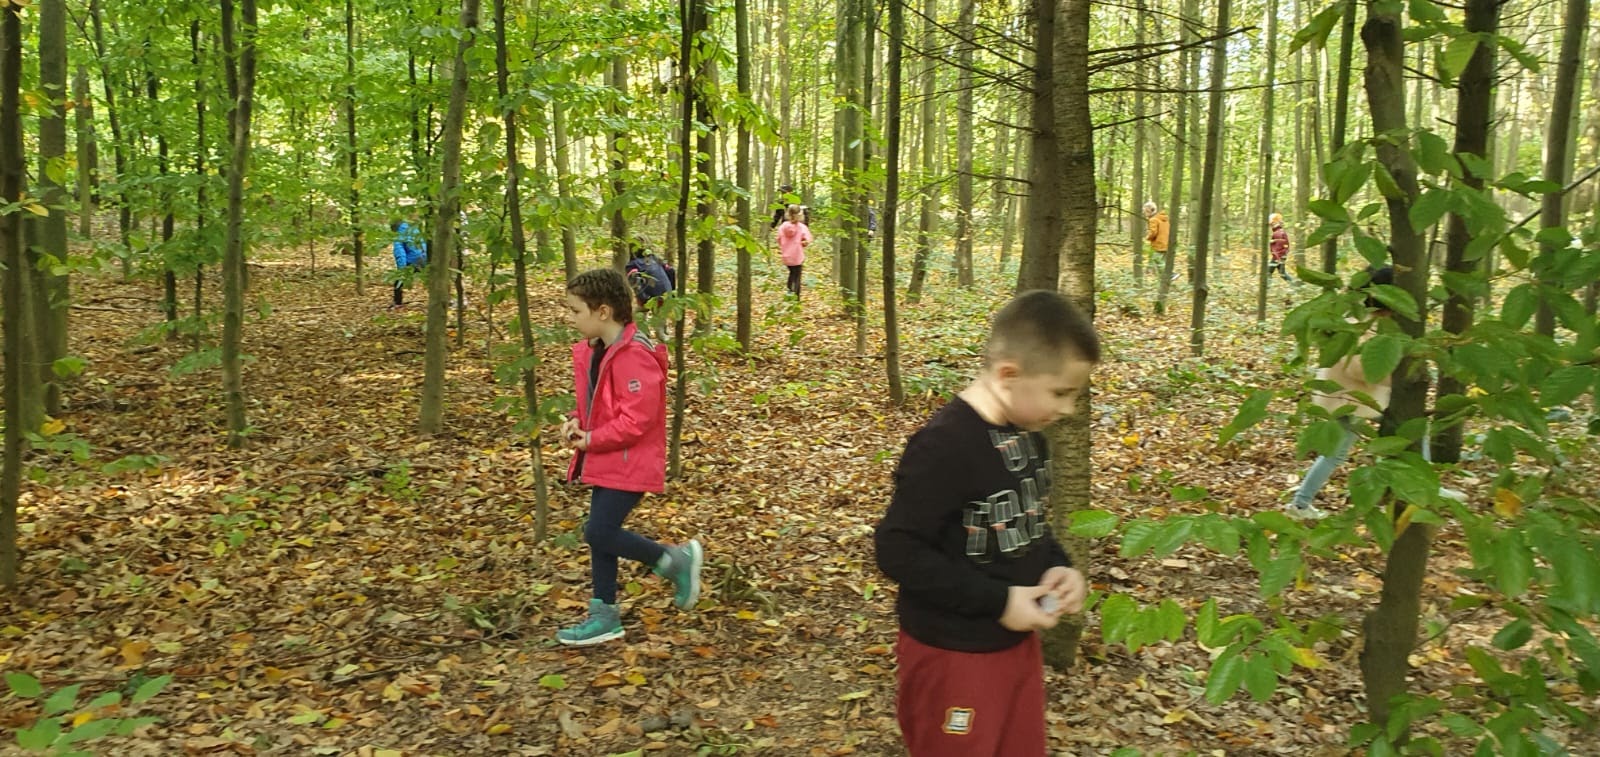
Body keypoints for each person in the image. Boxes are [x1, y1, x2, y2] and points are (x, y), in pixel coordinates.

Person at [874, 290, 1096, 756]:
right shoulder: (944, 445)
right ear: (1008, 375)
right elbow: (897, 549)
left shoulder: (1028, 436)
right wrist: (1000, 601)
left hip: (1014, 646)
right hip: (953, 654)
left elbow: (1026, 520)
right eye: (1061, 393)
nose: (1069, 409)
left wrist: (1058, 565)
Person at [557, 268, 704, 645]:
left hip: (629, 459)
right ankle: (604, 614)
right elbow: (597, 404)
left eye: (576, 311)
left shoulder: (634, 354)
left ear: (603, 311)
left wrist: (591, 439)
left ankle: (673, 560)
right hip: (605, 458)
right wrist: (576, 422)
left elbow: (638, 419)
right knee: (600, 536)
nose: (571, 318)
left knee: (599, 531)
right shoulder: (598, 350)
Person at [1285, 267, 1465, 519]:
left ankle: (1425, 487)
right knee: (1336, 454)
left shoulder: (1370, 322)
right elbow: (1362, 369)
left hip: (1356, 398)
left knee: (1412, 428)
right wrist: (1398, 371)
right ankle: (1300, 505)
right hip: (1346, 400)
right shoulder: (1358, 324)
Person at [390, 218, 428, 310]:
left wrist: (401, 270)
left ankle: (397, 303)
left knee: (398, 281)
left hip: (414, 261)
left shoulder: (399, 236)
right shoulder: (414, 230)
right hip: (425, 258)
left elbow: (400, 254)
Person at [776, 204, 813, 299]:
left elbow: (778, 239)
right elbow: (807, 239)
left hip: (786, 256)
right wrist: (803, 243)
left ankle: (789, 293)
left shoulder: (782, 226)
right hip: (797, 255)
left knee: (792, 273)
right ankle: (796, 298)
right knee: (797, 276)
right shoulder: (802, 227)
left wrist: (785, 245)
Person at [1143, 201, 1169, 273]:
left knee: (1157, 259)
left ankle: (1169, 274)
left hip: (1158, 244)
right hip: (1166, 243)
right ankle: (1162, 277)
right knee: (1161, 261)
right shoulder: (1163, 218)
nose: (1144, 213)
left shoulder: (1153, 220)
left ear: (1150, 210)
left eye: (1145, 211)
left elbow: (1153, 233)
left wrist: (1147, 237)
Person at [1268, 213, 1293, 285]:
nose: (1271, 225)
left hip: (1278, 256)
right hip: (1280, 256)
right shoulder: (1278, 232)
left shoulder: (1279, 233)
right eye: (1271, 224)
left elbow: (1280, 247)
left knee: (1268, 272)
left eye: (1273, 223)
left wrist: (1277, 258)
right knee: (1282, 273)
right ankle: (1296, 286)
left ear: (1277, 222)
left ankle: (1267, 288)